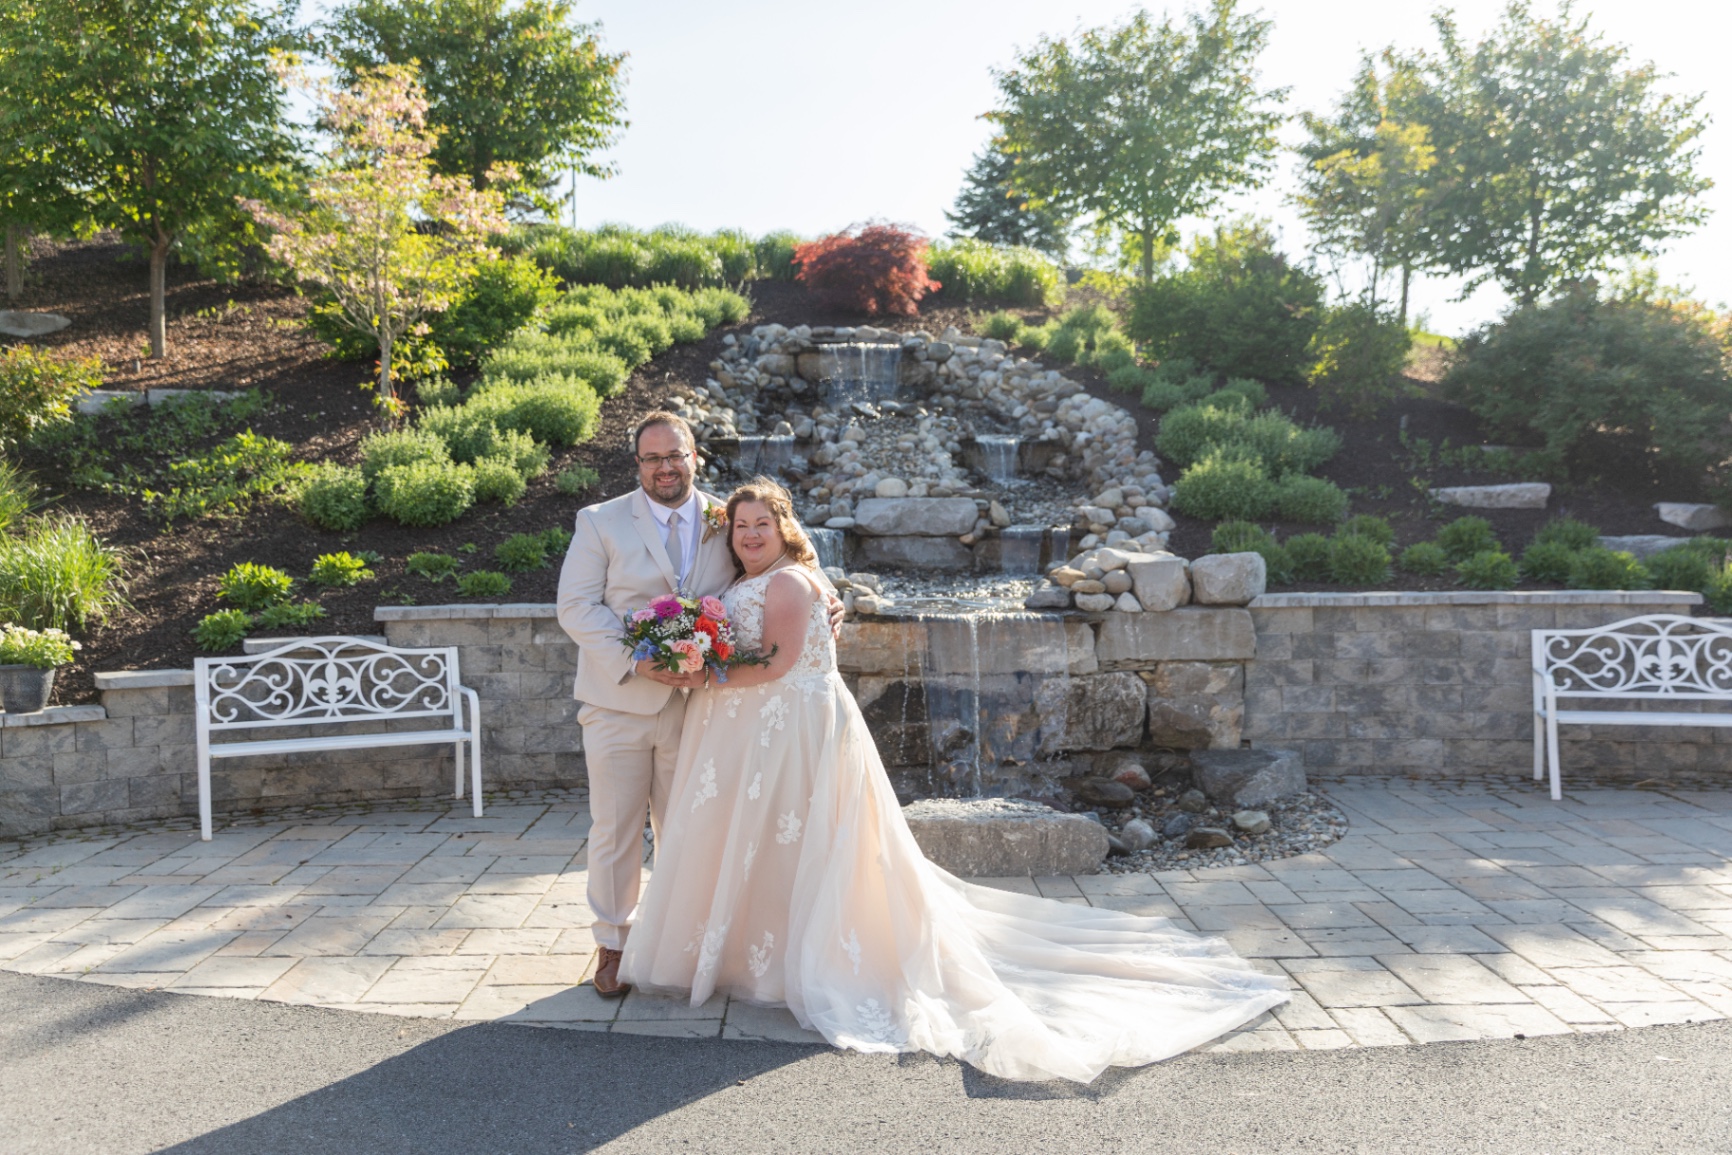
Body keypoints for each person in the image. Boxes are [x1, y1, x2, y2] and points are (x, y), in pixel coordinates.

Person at [620, 478, 1289, 1083]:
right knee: (775, 843)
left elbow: (775, 665)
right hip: (770, 730)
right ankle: (756, 953)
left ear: (784, 525)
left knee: (790, 841)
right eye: (741, 526)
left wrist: (696, 671)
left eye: (761, 522)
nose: (750, 533)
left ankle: (781, 959)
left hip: (784, 729)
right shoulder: (784, 578)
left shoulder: (790, 583)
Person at [556, 414, 842, 999]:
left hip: (703, 707)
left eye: (675, 456)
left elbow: (783, 571)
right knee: (616, 828)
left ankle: (682, 941)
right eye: (651, 458)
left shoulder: (728, 520)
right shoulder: (600, 521)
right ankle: (612, 943)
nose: (665, 467)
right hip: (619, 701)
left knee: (692, 829)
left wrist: (829, 602)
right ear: (637, 464)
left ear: (695, 457)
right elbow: (577, 608)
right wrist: (638, 661)